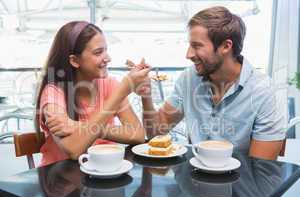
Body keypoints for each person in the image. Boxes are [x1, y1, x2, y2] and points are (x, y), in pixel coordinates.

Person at [136, 6, 285, 160]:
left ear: (226, 46)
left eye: (197, 46)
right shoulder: (189, 79)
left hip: (238, 182)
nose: (188, 54)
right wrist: (146, 94)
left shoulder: (265, 93)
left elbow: (260, 169)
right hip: (192, 178)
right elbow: (155, 132)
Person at [35, 21, 150, 166]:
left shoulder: (109, 85)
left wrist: (77, 126)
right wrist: (121, 91)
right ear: (75, 61)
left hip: (104, 172)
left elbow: (138, 135)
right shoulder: (53, 93)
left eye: (106, 50)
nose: (108, 58)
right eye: (98, 52)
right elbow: (73, 150)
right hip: (61, 180)